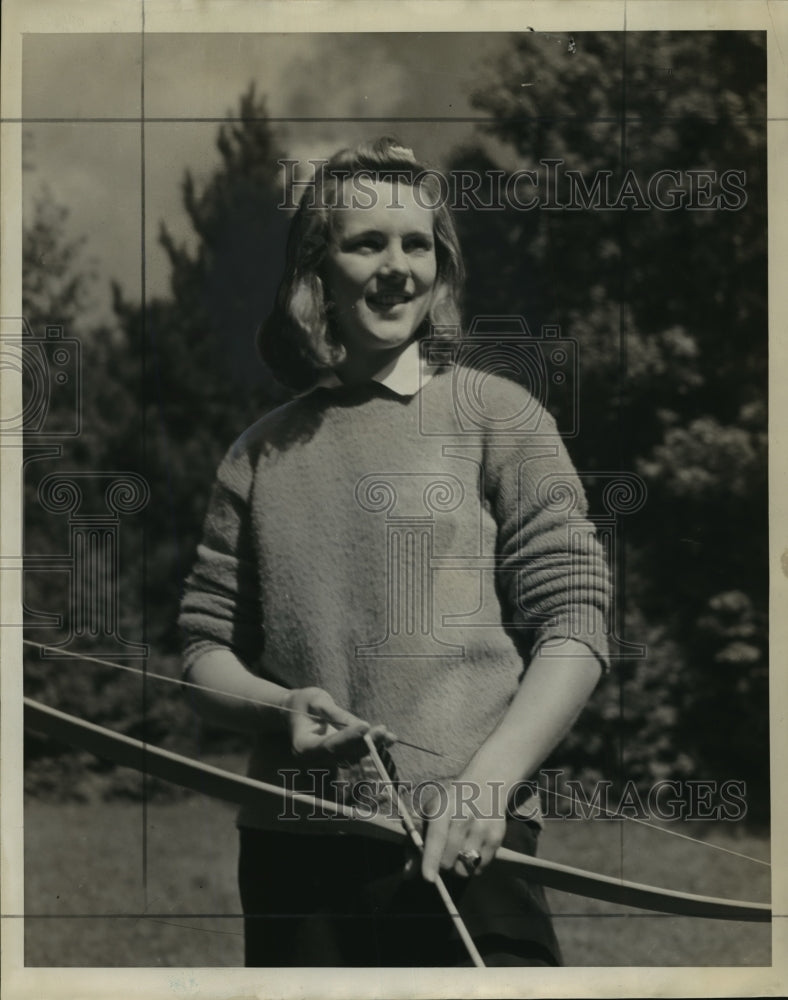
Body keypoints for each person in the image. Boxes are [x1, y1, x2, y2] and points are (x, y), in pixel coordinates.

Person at [178, 137, 611, 968]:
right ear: (317, 268)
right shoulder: (258, 453)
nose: (396, 267)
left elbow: (578, 621)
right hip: (293, 855)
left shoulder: (498, 414)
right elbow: (202, 652)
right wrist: (277, 709)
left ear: (440, 267)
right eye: (366, 242)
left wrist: (490, 782)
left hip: (469, 835)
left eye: (418, 244)